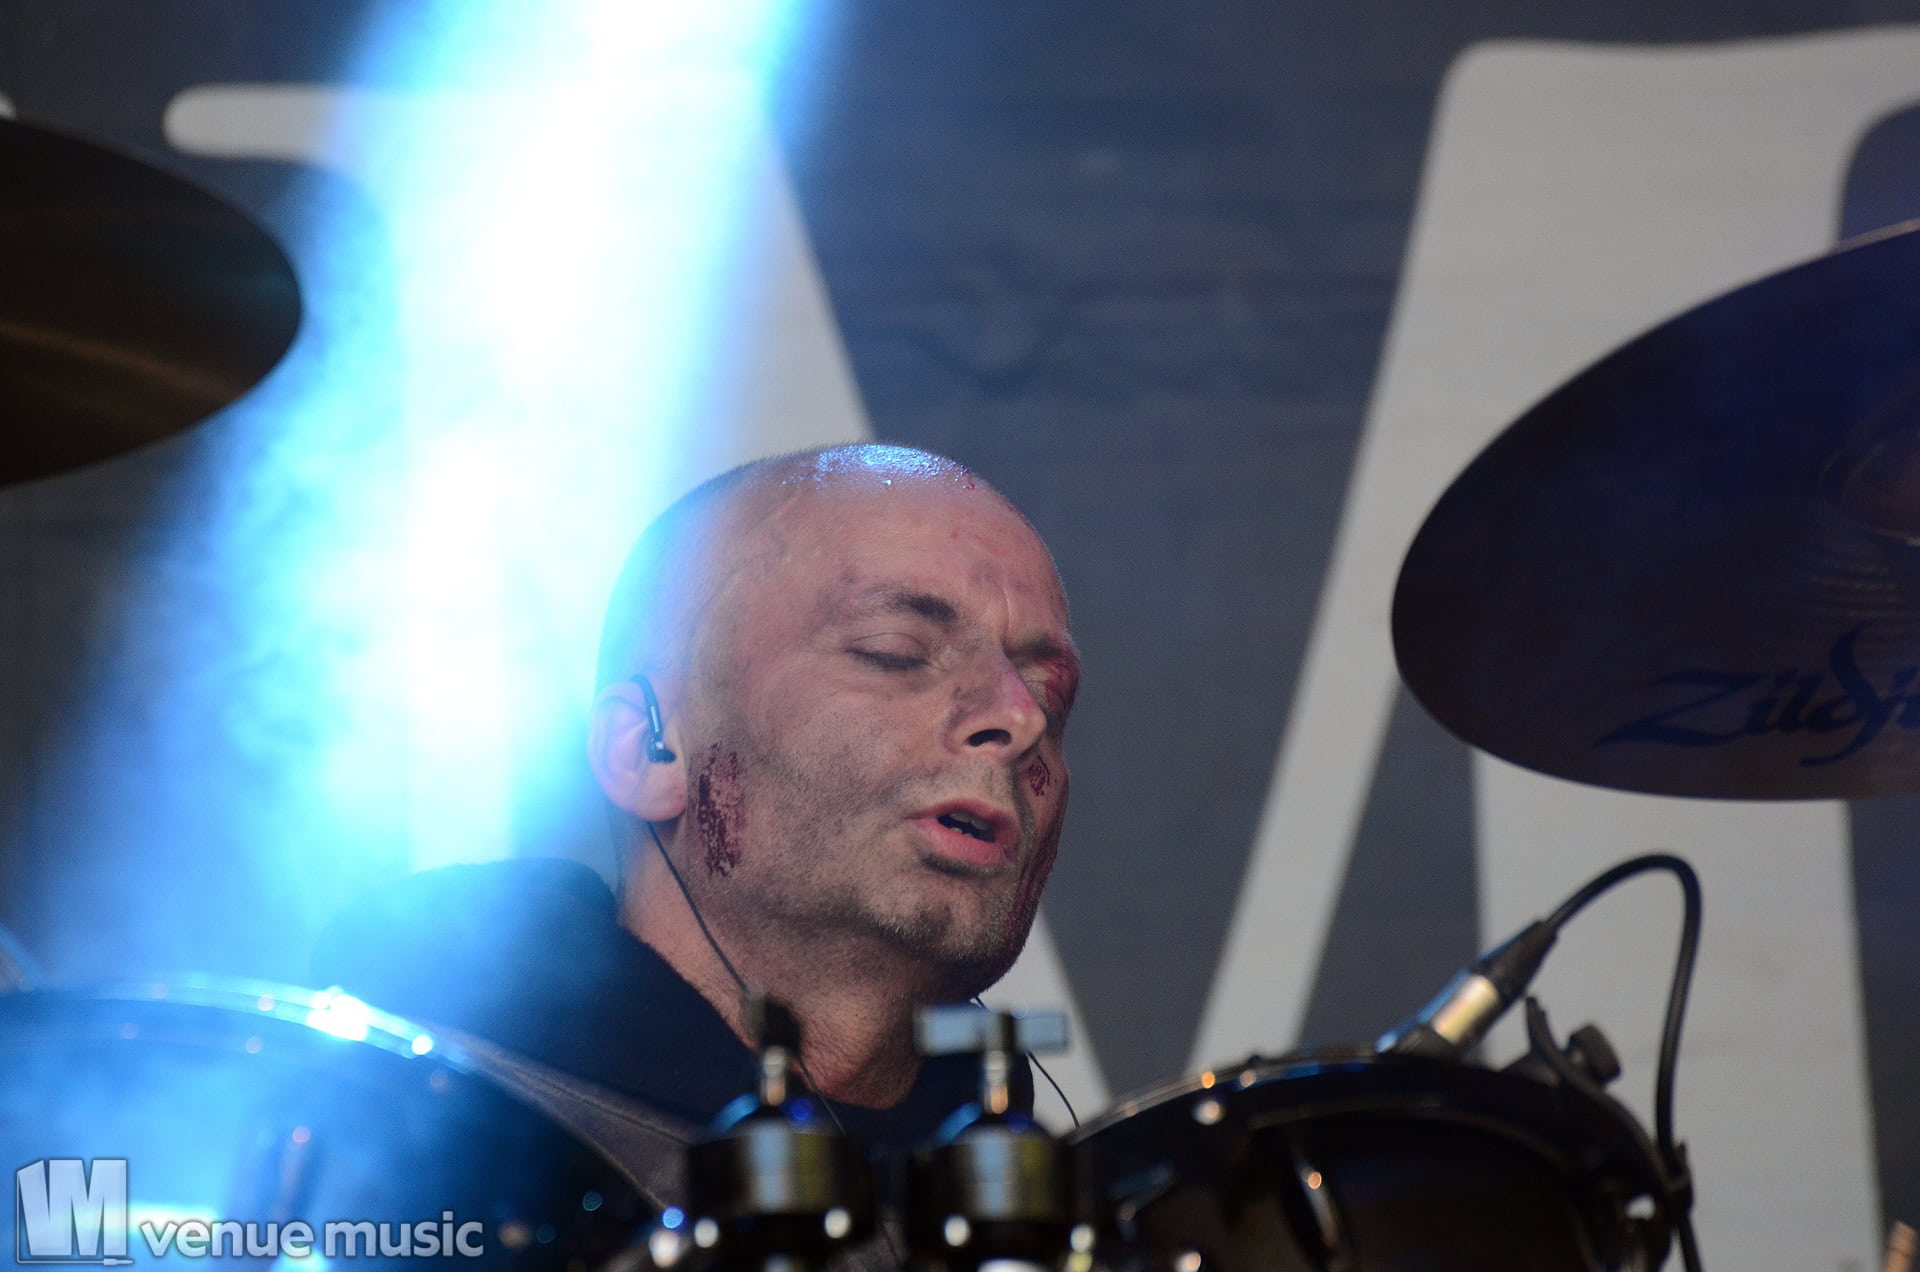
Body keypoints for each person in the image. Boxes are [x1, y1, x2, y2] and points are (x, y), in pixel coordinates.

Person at [312, 443, 1078, 1189]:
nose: (1020, 718)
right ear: (648, 753)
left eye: (1049, 695)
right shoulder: (380, 1148)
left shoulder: (1060, 1218)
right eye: (895, 651)